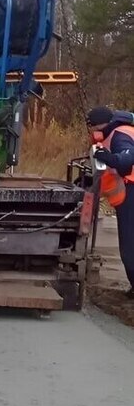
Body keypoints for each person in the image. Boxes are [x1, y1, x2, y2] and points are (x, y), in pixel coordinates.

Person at [87, 105, 134, 298]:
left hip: (131, 192)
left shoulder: (118, 134)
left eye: (92, 126)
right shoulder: (120, 131)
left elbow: (126, 160)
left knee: (129, 245)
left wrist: (108, 157)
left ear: (100, 124)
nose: (92, 131)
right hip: (128, 192)